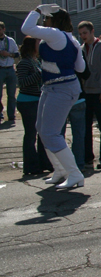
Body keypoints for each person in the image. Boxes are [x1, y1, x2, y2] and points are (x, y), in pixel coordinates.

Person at [21, 5, 86, 190]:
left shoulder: (55, 34)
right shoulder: (70, 39)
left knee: (50, 132)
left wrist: (37, 10)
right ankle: (60, 170)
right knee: (41, 129)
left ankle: (74, 173)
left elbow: (26, 29)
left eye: (46, 18)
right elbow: (80, 68)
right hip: (55, 87)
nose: (43, 21)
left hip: (62, 88)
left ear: (54, 20)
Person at [77, 21, 101, 170]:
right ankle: (88, 158)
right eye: (80, 34)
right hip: (86, 92)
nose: (83, 37)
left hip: (99, 92)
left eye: (85, 33)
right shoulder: (81, 49)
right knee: (85, 127)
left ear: (92, 31)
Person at [16, 36, 51, 175]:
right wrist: (38, 75)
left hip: (37, 100)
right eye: (38, 43)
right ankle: (31, 166)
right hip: (27, 102)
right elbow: (22, 83)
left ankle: (44, 162)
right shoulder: (24, 63)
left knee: (41, 134)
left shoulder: (35, 61)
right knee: (31, 134)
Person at [0, 21, 20, 123]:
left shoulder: (10, 40)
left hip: (10, 68)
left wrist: (8, 54)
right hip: (0, 69)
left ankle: (11, 116)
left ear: (4, 29)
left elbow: (17, 54)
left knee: (11, 94)